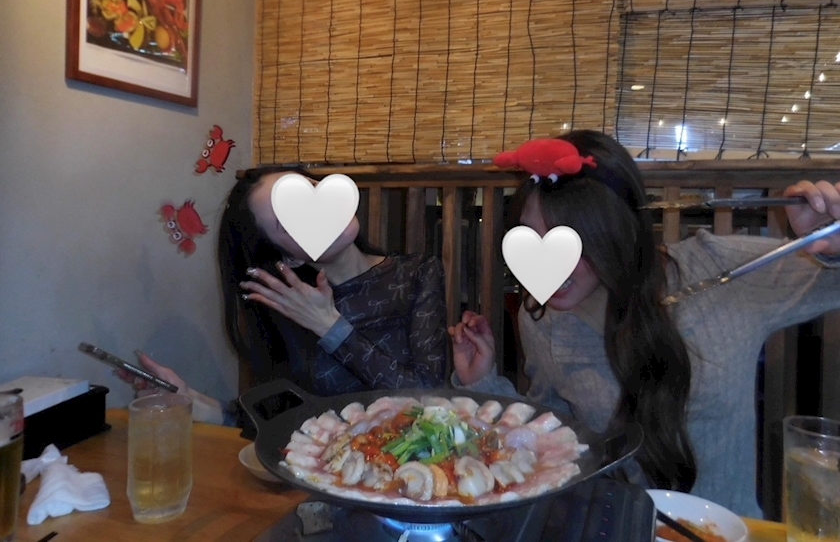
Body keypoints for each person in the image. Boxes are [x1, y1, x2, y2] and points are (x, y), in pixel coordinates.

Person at [448, 130, 840, 519]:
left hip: (726, 530)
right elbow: (554, 437)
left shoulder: (719, 270)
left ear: (614, 232)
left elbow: (830, 279)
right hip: (618, 526)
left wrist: (832, 241)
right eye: (531, 237)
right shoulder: (543, 316)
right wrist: (481, 381)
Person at [125, 167, 448, 426]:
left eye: (308, 191)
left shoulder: (418, 273)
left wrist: (331, 328)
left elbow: (429, 399)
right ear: (289, 258)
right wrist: (194, 402)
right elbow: (282, 420)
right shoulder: (288, 305)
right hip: (328, 472)